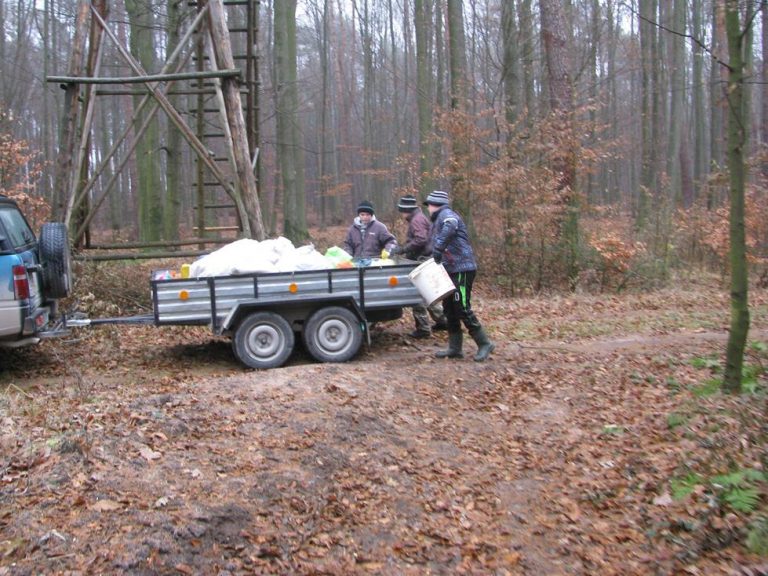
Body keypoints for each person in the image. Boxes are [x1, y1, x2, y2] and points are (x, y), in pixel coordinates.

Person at [424, 190, 495, 362]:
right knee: (449, 309)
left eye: (429, 205)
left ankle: (484, 343)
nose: (428, 209)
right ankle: (455, 348)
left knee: (462, 306)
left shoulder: (447, 215)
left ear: (436, 205)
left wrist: (438, 248)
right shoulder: (436, 221)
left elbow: (450, 226)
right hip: (449, 270)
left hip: (463, 269)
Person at [389, 195, 448, 338]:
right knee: (427, 292)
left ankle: (423, 328)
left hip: (421, 260)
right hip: (424, 259)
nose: (401, 214)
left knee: (417, 293)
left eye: (402, 211)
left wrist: (404, 249)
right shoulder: (419, 218)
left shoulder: (416, 220)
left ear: (406, 210)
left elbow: (421, 240)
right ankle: (443, 321)